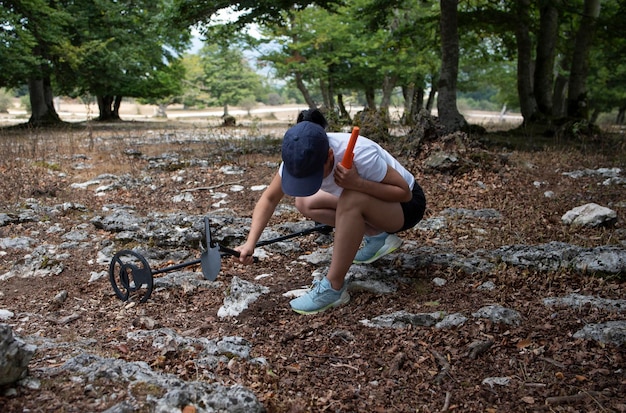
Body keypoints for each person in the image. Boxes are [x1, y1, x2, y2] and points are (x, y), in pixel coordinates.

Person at [234, 109, 426, 314]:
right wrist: (250, 243)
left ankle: (333, 288)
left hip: (405, 208)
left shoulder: (360, 154)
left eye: (314, 175)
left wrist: (357, 183)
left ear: (330, 156)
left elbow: (404, 194)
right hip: (372, 202)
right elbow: (270, 198)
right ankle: (378, 237)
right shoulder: (298, 155)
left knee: (351, 199)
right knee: (305, 202)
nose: (310, 180)